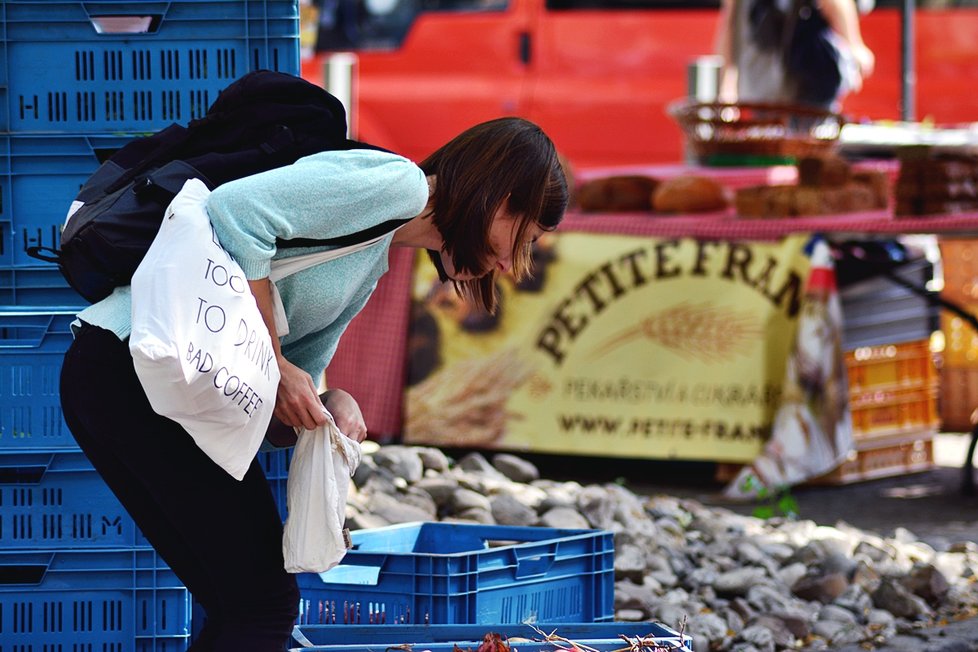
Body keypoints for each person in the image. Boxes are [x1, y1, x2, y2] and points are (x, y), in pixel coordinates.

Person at [59, 116, 569, 652]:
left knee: (239, 605)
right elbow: (235, 213)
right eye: (524, 237)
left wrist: (329, 405)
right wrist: (277, 365)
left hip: (137, 389)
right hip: (131, 372)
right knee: (262, 605)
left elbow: (275, 411)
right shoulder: (397, 184)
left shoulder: (373, 260)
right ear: (499, 196)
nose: (512, 263)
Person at [715, 0, 875, 110]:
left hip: (756, 88)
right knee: (810, 148)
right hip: (799, 89)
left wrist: (727, 85)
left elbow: (729, 24)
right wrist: (855, 45)